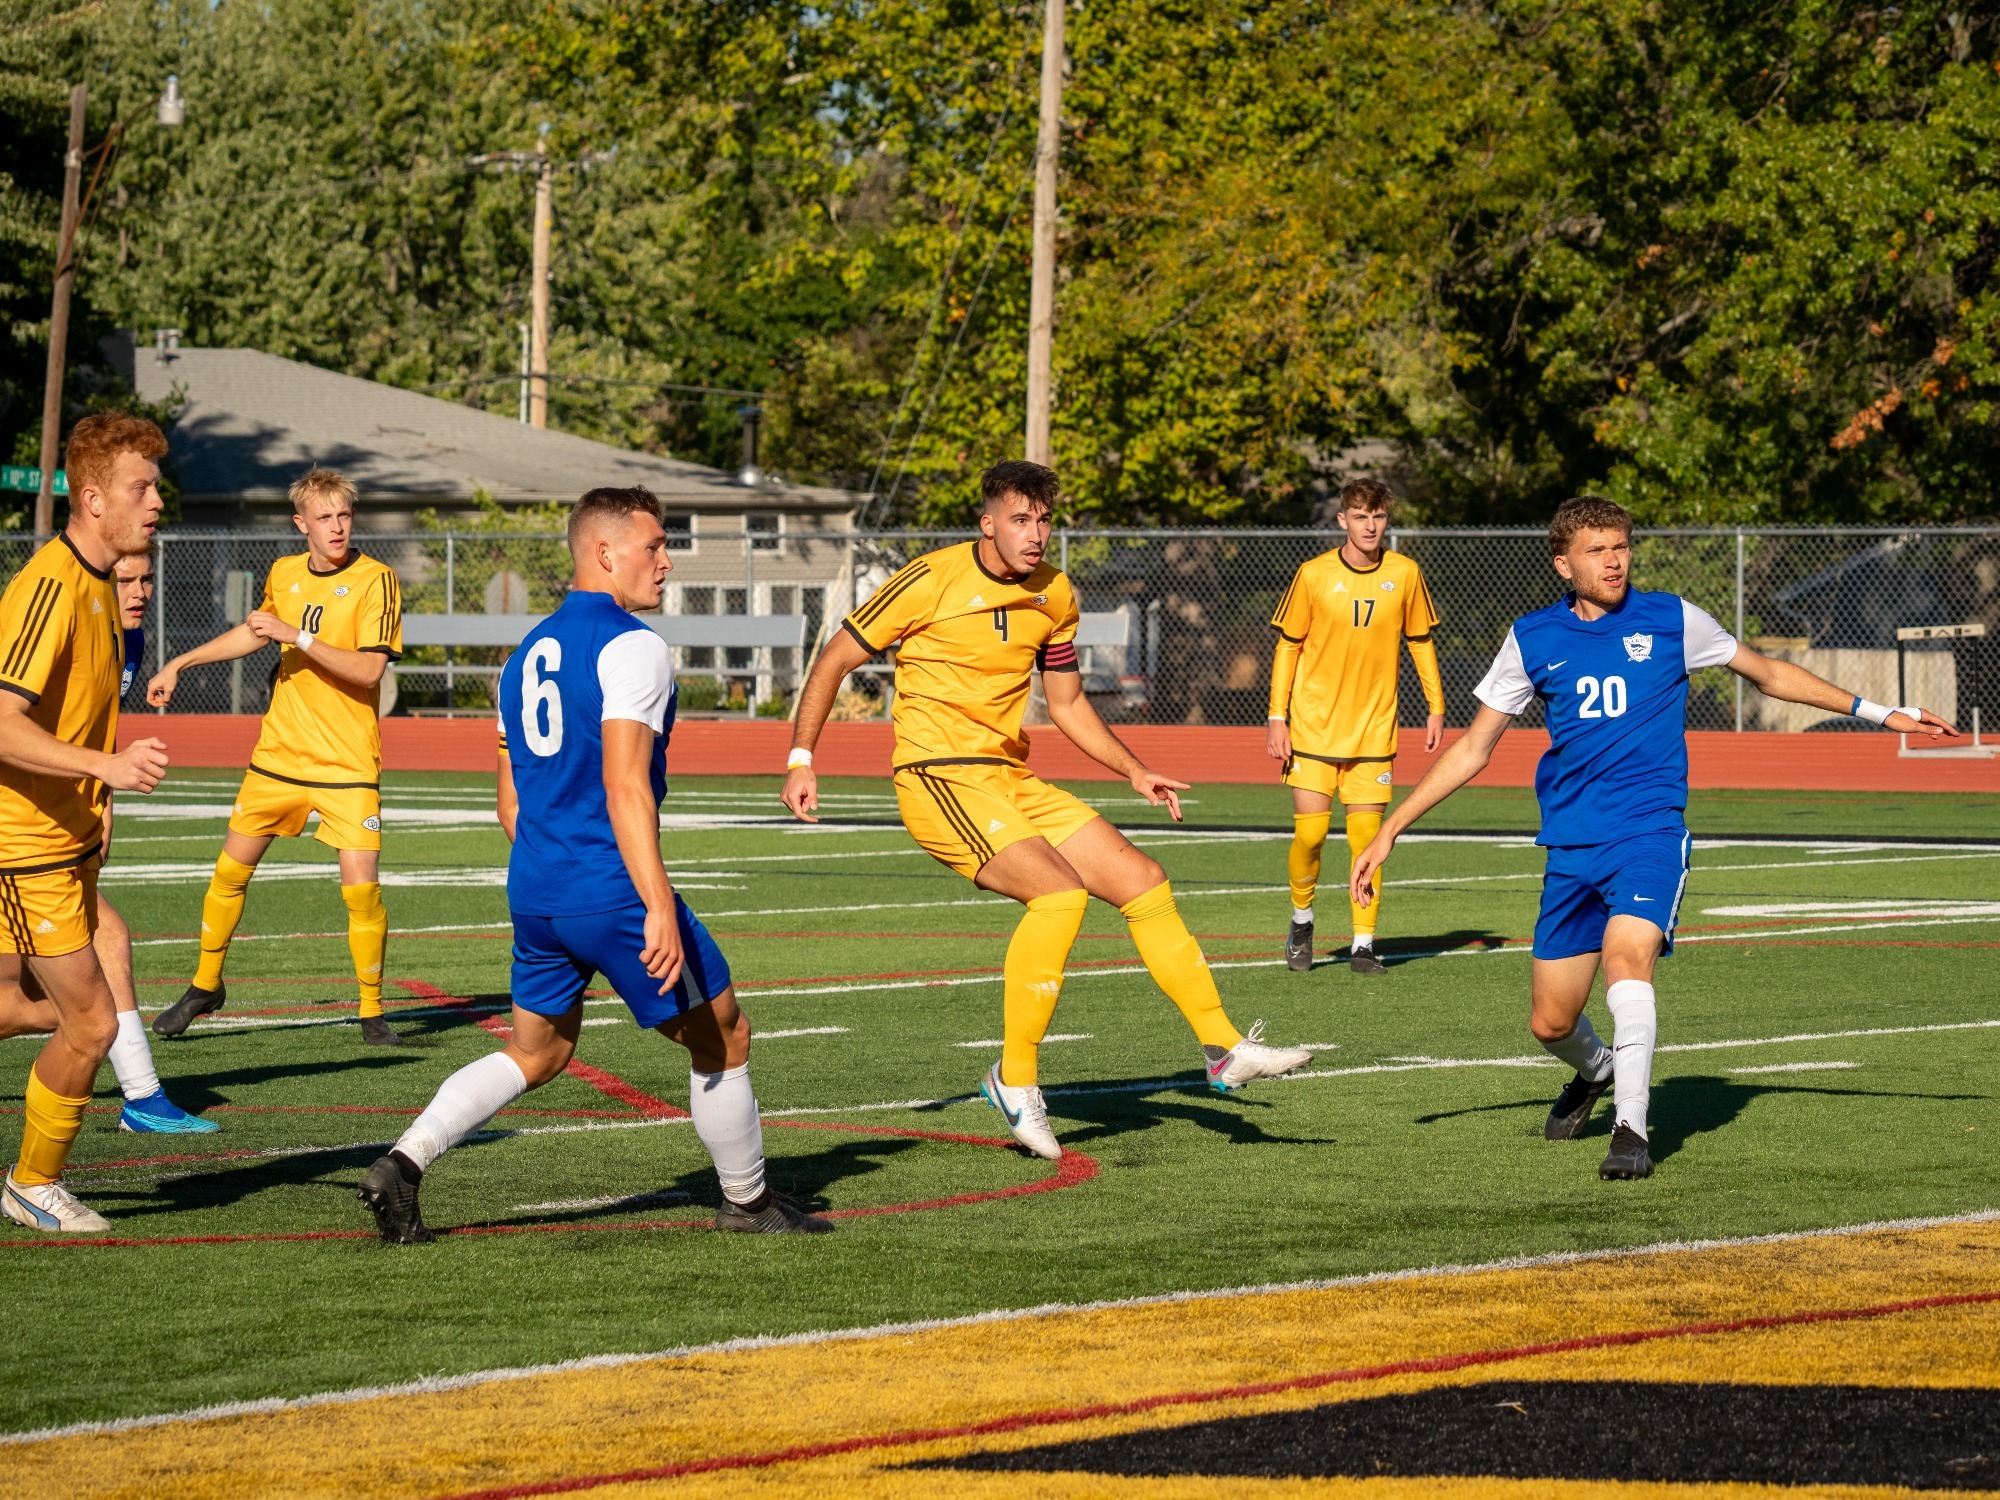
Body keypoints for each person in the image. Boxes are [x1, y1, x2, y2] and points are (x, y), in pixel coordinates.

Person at [1351, 496, 1956, 1180]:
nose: (1614, 561)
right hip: (1571, 846)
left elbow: (1768, 673)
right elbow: (1473, 748)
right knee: (1551, 1023)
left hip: (1649, 833)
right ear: (1563, 563)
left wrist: (1881, 712)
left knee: (1627, 961)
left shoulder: (1672, 619)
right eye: (1597, 550)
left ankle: (1631, 1131)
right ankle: (1598, 1070)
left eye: (1621, 547)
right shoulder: (1532, 638)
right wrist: (1392, 827)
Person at [782, 460, 1312, 1162]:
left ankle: (1223, 1049)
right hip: (937, 776)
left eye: (1044, 520)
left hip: (1010, 777)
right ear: (988, 523)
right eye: (1020, 519)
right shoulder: (929, 577)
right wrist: (801, 758)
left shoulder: (1055, 593)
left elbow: (1066, 704)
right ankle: (1015, 1078)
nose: (1035, 534)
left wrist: (1134, 769)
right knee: (1059, 895)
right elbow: (833, 661)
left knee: (1144, 882)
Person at [357, 486, 827, 1241]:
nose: (666, 561)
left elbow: (508, 805)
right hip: (608, 887)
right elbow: (624, 786)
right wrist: (656, 905)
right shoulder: (634, 644)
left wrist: (558, 868)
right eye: (655, 545)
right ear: (605, 553)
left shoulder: (522, 656)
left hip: (536, 884)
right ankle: (747, 1202)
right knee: (724, 1036)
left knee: (536, 1052)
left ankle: (403, 1164)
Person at [146, 469, 405, 1045]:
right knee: (228, 873)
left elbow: (369, 670)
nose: (337, 527)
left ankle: (371, 1012)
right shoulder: (284, 572)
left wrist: (298, 635)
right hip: (278, 756)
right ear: (301, 524)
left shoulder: (376, 579)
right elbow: (257, 631)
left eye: (344, 515)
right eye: (324, 518)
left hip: (347, 764)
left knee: (361, 891)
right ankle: (205, 986)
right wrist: (179, 664)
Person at [0, 412, 173, 1230]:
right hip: (23, 843)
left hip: (63, 841)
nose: (157, 501)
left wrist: (99, 796)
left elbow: (74, 720)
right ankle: (32, 1183)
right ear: (93, 498)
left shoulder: (103, 587)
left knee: (30, 1005)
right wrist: (104, 768)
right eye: (142, 488)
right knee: (92, 1021)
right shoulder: (50, 586)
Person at [0, 546, 218, 1134]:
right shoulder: (57, 605)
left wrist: (102, 801)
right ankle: (142, 1097)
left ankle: (141, 1097)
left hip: (46, 828)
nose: (139, 591)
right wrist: (100, 775)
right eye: (126, 580)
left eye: (147, 579)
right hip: (17, 832)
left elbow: (92, 729)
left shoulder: (128, 639)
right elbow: (10, 725)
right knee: (98, 960)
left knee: (34, 993)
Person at [1267, 478, 1445, 976]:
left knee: (1367, 840)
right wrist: (1277, 717)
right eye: (1361, 516)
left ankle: (1363, 945)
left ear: (1387, 520)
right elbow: (1288, 646)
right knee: (1311, 836)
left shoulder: (1405, 573)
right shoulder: (1313, 574)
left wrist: (1436, 705)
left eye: (1379, 516)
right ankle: (1302, 919)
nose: (1370, 526)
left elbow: (1420, 642)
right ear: (1342, 519)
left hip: (1374, 731)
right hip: (1313, 728)